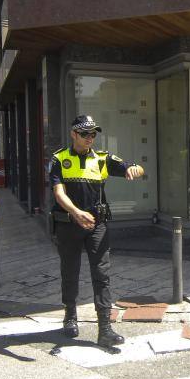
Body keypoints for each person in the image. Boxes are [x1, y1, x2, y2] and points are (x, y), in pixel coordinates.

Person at [49, 115, 144, 348]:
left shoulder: (102, 159)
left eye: (93, 134)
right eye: (85, 134)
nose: (90, 138)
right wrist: (75, 212)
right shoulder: (59, 159)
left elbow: (134, 167)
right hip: (68, 224)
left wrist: (134, 169)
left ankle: (105, 328)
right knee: (69, 271)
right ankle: (70, 317)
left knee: (102, 275)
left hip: (96, 225)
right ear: (73, 134)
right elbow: (58, 193)